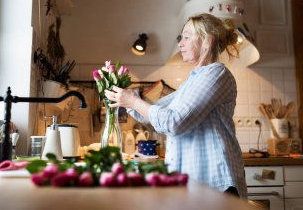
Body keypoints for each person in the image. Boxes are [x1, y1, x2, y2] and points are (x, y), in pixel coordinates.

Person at [104, 13, 247, 198]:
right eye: (181, 38)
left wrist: (133, 101)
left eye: (187, 37)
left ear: (208, 41)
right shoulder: (193, 81)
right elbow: (151, 114)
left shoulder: (216, 74)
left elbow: (174, 123)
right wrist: (125, 97)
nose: (180, 43)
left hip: (215, 184)